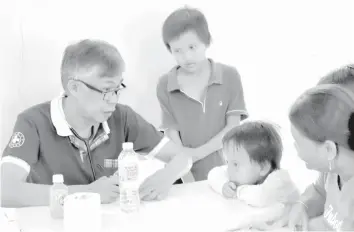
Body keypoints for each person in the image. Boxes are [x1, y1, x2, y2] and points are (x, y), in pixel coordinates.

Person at [0, 39, 193, 207]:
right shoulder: (33, 122)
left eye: (118, 89)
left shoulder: (122, 117)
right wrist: (87, 193)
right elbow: (5, 191)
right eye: (106, 90)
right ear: (74, 87)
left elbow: (182, 156)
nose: (113, 100)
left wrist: (165, 177)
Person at [156, 6, 248, 181]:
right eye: (178, 51)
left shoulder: (229, 75)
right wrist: (184, 169)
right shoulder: (165, 84)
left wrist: (196, 154)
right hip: (185, 174)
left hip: (227, 171)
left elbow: (233, 128)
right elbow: (172, 132)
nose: (187, 56)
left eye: (192, 47)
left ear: (206, 41)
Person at [208, 121, 298, 230]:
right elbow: (213, 173)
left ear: (263, 168)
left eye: (235, 164)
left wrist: (237, 191)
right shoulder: (241, 172)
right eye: (228, 162)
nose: (229, 169)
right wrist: (223, 185)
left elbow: (260, 198)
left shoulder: (279, 180)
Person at [288, 84, 354, 231]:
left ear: (328, 149)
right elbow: (318, 192)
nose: (295, 148)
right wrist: (302, 206)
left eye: (298, 143)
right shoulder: (331, 171)